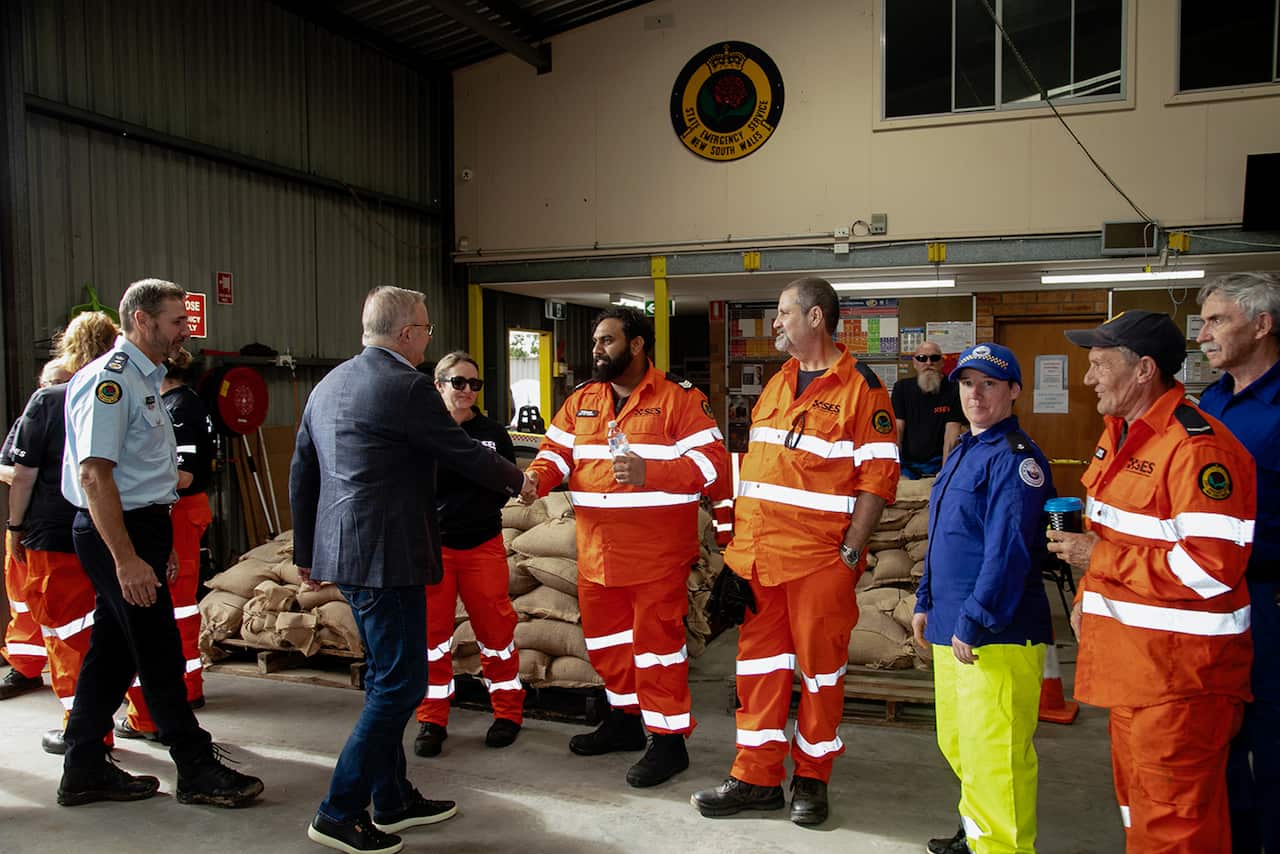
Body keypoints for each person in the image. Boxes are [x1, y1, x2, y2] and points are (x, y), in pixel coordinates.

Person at [291, 286, 531, 854]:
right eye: (425, 329)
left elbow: (303, 469)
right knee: (401, 685)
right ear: (406, 334)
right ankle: (339, 810)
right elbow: (460, 450)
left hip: (347, 555)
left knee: (385, 679)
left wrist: (307, 552)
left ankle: (393, 798)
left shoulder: (330, 383)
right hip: (388, 558)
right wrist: (519, 479)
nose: (427, 337)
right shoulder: (407, 385)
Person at [691, 277, 899, 827]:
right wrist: (736, 557)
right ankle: (755, 779)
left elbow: (878, 480)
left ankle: (812, 777)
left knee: (821, 676)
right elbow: (760, 477)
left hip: (819, 564)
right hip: (761, 563)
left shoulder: (863, 389)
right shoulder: (778, 382)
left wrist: (850, 554)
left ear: (816, 318)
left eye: (784, 313)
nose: (776, 323)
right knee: (758, 671)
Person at [1049, 309, 1255, 853]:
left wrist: (1098, 559)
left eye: (1099, 364)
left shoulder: (1196, 449)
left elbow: (1210, 569)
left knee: (1174, 828)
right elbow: (1115, 533)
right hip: (1133, 671)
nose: (1088, 378)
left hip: (1180, 682)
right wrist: (1088, 595)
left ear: (1143, 370)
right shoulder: (1120, 436)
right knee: (1141, 813)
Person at [59, 278, 264, 809]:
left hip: (142, 527)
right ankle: (194, 766)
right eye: (177, 321)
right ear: (142, 320)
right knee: (158, 649)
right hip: (116, 532)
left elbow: (143, 474)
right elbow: (95, 475)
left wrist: (159, 540)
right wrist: (127, 558)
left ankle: (83, 766)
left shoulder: (146, 379)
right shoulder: (111, 381)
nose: (185, 331)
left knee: (113, 652)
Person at [523, 307, 729, 789]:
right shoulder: (583, 400)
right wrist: (536, 478)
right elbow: (556, 453)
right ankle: (624, 720)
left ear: (636, 345)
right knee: (607, 645)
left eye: (607, 341)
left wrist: (649, 473)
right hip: (597, 554)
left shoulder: (679, 398)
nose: (596, 349)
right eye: (596, 340)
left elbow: (714, 465)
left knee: (659, 653)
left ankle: (669, 742)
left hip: (656, 557)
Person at [911, 343, 1054, 854]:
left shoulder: (1016, 460)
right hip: (951, 624)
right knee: (959, 742)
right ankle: (976, 835)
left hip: (995, 633)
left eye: (989, 384)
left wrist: (974, 619)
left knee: (997, 757)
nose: (975, 394)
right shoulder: (964, 451)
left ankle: (1000, 847)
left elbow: (1008, 551)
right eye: (968, 384)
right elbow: (942, 537)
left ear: (1013, 391)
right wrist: (925, 600)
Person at [4, 312, 118, 756]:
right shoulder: (122, 395)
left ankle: (84, 733)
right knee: (116, 630)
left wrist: (15, 527)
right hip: (114, 530)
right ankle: (136, 716)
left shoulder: (49, 401)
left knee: (68, 633)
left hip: (55, 534)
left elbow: (22, 475)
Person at [1194, 272, 1280, 854]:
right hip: (1213, 603)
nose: (1203, 335)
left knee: (1273, 748)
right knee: (1218, 744)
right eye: (1203, 322)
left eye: (1217, 320)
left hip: (1270, 599)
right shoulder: (1212, 402)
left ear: (1262, 324)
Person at [413, 350, 526, 757]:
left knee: (496, 635)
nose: (467, 390)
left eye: (474, 384)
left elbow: (507, 481)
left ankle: (508, 713)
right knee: (432, 639)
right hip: (435, 548)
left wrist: (475, 493)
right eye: (458, 382)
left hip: (483, 545)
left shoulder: (492, 433)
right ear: (439, 385)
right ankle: (432, 719)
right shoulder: (424, 430)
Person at [117, 346, 216, 740]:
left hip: (179, 510)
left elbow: (184, 474)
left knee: (174, 601)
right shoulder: (183, 403)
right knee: (178, 602)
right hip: (181, 509)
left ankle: (182, 689)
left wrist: (133, 479)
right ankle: (185, 684)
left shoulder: (178, 407)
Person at [1, 359, 75, 701]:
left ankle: (87, 682)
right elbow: (7, 468)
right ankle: (25, 667)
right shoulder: (29, 419)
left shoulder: (85, 418)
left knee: (69, 611)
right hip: (31, 525)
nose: (55, 389)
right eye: (50, 383)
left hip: (61, 526)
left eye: (63, 381)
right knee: (22, 601)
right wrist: (33, 475)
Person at [893, 339, 965, 479]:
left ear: (942, 362)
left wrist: (946, 473)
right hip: (908, 465)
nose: (928, 363)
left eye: (934, 358)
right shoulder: (901, 388)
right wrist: (894, 466)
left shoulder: (954, 389)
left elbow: (952, 433)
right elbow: (898, 429)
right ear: (915, 363)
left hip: (939, 464)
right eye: (922, 358)